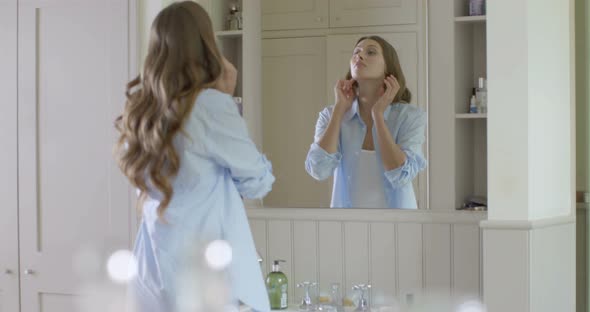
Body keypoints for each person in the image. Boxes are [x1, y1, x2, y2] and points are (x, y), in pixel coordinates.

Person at [113, 2, 274, 311]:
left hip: (152, 275)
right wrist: (225, 99)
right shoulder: (210, 106)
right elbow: (258, 183)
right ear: (206, 44)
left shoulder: (140, 113)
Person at [305, 35, 426, 209]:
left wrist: (378, 115)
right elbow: (319, 170)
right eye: (356, 52)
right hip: (346, 225)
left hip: (400, 227)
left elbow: (401, 175)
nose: (359, 56)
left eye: (371, 52)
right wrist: (339, 110)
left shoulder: (409, 117)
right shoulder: (330, 115)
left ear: (388, 68)